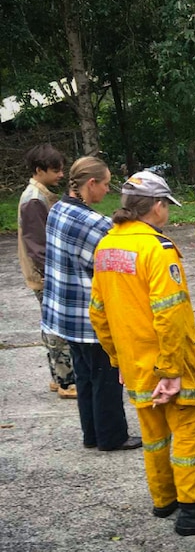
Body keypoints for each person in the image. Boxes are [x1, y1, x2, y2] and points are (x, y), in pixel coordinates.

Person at [90, 171, 195, 536]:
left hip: (135, 364)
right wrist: (171, 370)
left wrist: (117, 359)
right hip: (170, 364)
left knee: (154, 436)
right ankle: (193, 508)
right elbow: (169, 312)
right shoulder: (157, 249)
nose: (167, 214)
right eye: (166, 207)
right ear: (156, 206)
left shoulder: (106, 247)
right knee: (191, 434)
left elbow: (98, 311)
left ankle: (164, 498)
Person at [42, 156, 141, 451]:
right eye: (106, 184)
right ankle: (112, 436)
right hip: (90, 317)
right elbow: (113, 263)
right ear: (91, 184)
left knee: (85, 377)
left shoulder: (57, 209)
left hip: (63, 314)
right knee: (106, 378)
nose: (107, 191)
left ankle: (92, 434)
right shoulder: (93, 223)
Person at [18, 144, 77, 399]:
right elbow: (37, 246)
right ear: (39, 170)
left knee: (50, 324)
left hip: (43, 274)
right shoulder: (34, 199)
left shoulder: (38, 194)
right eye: (55, 170)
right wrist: (53, 275)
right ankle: (66, 381)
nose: (60, 175)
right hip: (44, 275)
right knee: (57, 327)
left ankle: (57, 377)